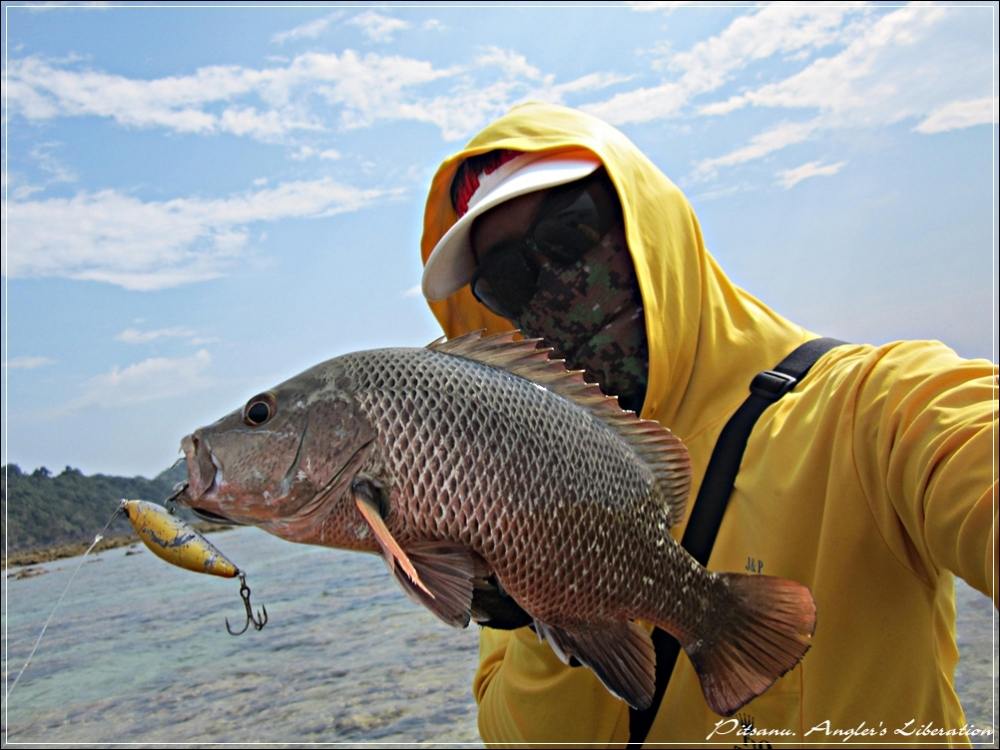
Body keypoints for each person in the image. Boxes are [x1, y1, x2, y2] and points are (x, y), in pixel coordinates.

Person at [417, 101, 997, 746]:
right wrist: (535, 617)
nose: (552, 284)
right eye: (507, 277)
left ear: (649, 223)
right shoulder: (510, 503)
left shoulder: (876, 403)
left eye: (570, 231)